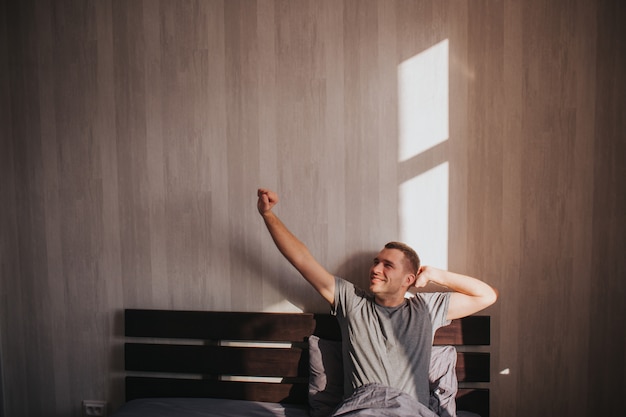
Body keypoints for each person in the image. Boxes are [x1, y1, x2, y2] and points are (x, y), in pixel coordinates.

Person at [257, 188, 498, 415]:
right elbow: (302, 259)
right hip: (362, 409)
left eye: (387, 265)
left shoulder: (425, 309)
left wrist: (436, 275)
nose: (375, 269)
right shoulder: (352, 301)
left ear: (409, 279)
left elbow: (486, 296)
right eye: (376, 262)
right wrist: (268, 215)